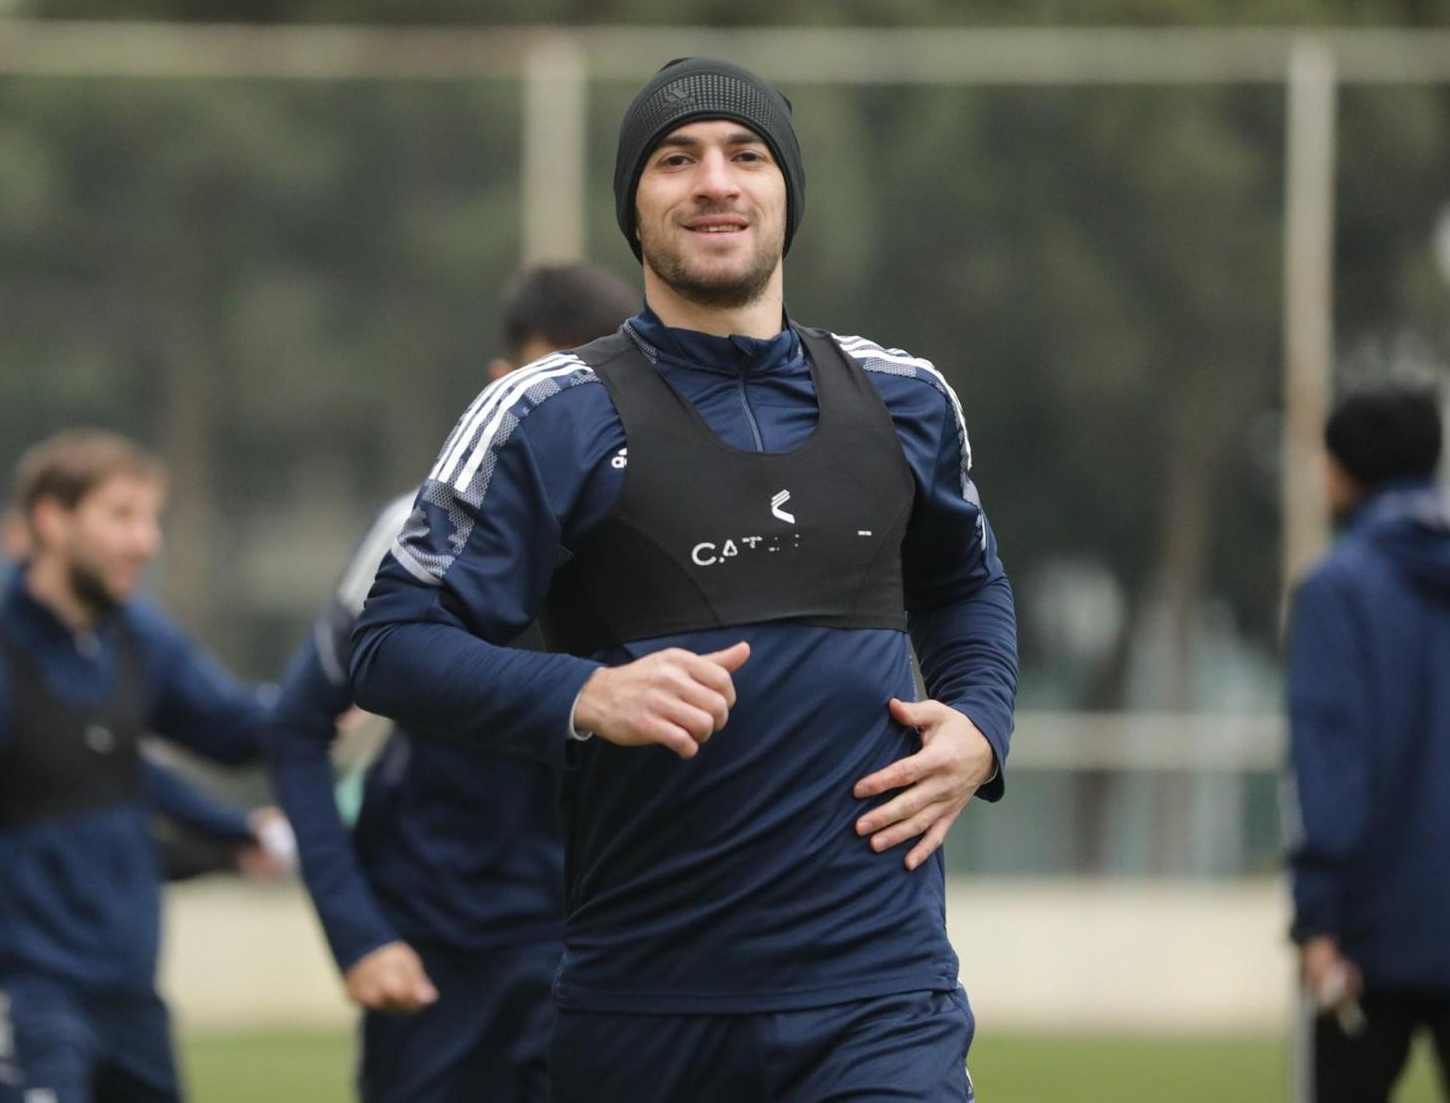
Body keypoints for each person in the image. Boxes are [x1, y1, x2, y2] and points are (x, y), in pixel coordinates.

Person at [349, 57, 1018, 1103]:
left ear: (786, 192)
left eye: (746, 155)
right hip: (647, 1009)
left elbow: (964, 584)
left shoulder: (905, 398)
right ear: (634, 206)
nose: (714, 182)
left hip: (880, 995)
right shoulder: (549, 412)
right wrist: (584, 693)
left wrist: (980, 723)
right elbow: (390, 644)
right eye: (675, 159)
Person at [268, 262, 641, 1103]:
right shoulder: (412, 538)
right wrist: (357, 933)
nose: (568, 415)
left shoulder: (671, 543)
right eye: (541, 387)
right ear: (498, 385)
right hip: (437, 957)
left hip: (607, 953)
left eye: (597, 392)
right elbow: (294, 731)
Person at [0, 430, 275, 1103]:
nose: (146, 541)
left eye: (151, 519)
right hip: (22, 1000)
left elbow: (238, 731)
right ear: (51, 520)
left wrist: (347, 674)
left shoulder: (137, 639)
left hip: (132, 1004)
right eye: (122, 516)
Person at [1286, 385, 1450, 1103]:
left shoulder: (1336, 590)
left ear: (1343, 470)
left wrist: (1318, 920)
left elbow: (1331, 767)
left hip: (1368, 936)